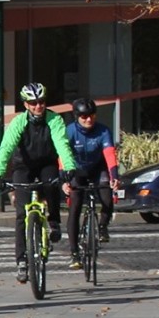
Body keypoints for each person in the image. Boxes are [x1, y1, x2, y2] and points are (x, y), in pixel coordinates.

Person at [0, 83, 75, 280]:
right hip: (24, 166)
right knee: (21, 214)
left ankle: (54, 222)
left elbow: (62, 144)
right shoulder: (19, 122)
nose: (38, 106)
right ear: (26, 105)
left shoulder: (54, 119)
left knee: (51, 184)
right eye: (33, 103)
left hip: (46, 163)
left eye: (41, 102)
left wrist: (69, 167)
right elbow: (6, 147)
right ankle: (21, 260)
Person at [63, 99, 118, 265]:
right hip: (76, 170)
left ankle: (102, 226)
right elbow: (62, 156)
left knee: (107, 196)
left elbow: (109, 154)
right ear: (77, 117)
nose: (89, 119)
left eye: (92, 116)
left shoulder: (103, 131)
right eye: (84, 117)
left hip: (97, 168)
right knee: (75, 206)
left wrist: (114, 176)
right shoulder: (70, 131)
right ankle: (74, 252)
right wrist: (65, 180)